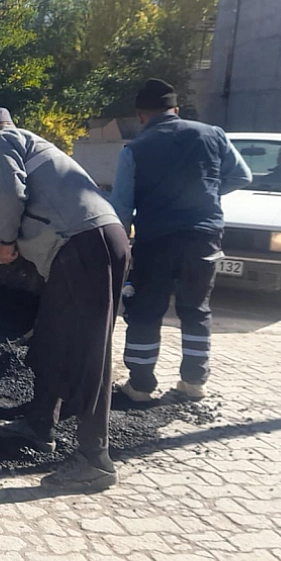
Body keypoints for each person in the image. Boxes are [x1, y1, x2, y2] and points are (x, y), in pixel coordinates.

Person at [0, 107, 130, 492]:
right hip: (97, 241)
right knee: (54, 337)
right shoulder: (38, 146)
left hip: (83, 247)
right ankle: (39, 424)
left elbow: (9, 193)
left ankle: (95, 459)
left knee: (90, 351)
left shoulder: (0, 141)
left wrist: (5, 241)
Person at [110, 79, 252, 402]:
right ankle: (193, 383)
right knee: (196, 309)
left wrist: (120, 247)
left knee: (146, 309)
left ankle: (141, 386)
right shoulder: (212, 134)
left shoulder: (134, 149)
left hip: (155, 241)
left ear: (142, 116)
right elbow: (243, 175)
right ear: (176, 110)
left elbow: (121, 209)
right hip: (203, 238)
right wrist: (208, 192)